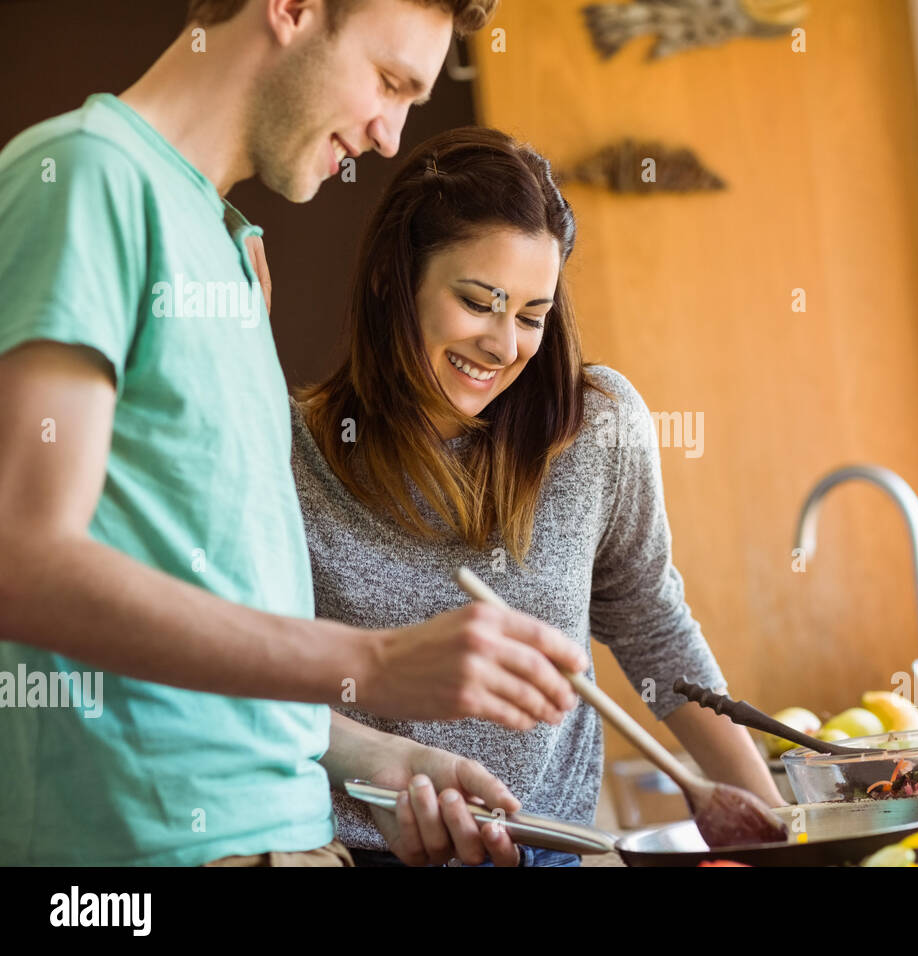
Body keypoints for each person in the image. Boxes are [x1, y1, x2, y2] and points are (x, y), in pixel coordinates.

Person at [0, 0, 588, 868]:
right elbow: (23, 561)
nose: (392, 138)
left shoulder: (231, 249)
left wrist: (375, 759)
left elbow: (210, 626)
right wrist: (376, 661)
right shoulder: (89, 178)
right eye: (389, 82)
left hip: (291, 842)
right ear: (293, 9)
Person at [292, 126, 785, 867]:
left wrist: (778, 828)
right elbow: (250, 682)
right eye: (478, 301)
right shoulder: (291, 450)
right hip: (348, 851)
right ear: (392, 280)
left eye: (531, 314)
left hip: (547, 850)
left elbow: (652, 623)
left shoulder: (598, 427)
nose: (503, 344)